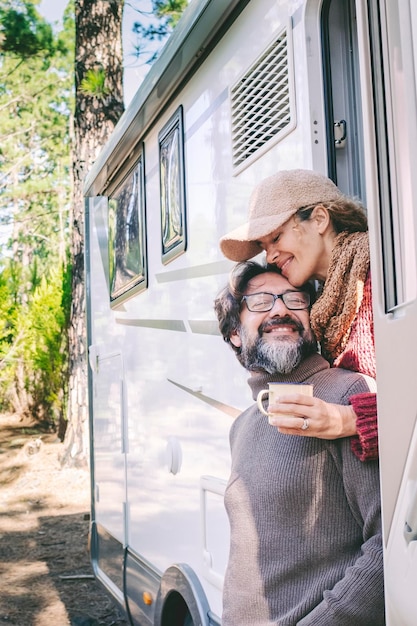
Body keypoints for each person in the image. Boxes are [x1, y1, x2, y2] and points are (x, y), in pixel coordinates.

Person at [214, 261, 384, 625]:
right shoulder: (243, 424)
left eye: (295, 299)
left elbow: (388, 545)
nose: (281, 309)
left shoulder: (346, 395)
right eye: (260, 301)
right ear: (234, 333)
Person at [219, 169, 377, 462]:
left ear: (319, 219)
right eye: (264, 247)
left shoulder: (382, 275)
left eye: (276, 237)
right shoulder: (326, 305)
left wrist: (350, 420)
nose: (269, 256)